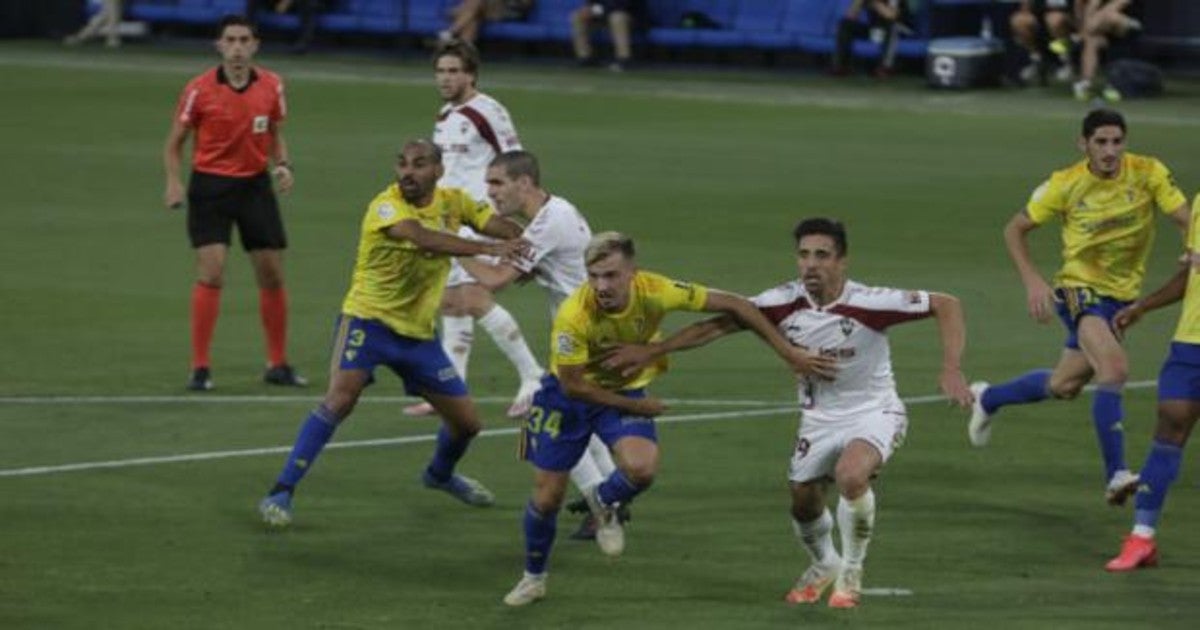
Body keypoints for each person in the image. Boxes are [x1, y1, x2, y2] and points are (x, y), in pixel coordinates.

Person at [595, 218, 971, 608]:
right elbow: (716, 327)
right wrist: (655, 350)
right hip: (819, 419)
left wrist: (950, 368)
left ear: (842, 261)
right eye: (804, 254)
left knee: (851, 474)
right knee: (803, 501)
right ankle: (825, 563)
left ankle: (851, 573)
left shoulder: (869, 303)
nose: (810, 264)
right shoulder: (780, 302)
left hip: (873, 410)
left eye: (822, 255)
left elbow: (947, 304)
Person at [501, 232, 835, 607]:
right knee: (547, 499)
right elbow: (574, 385)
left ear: (633, 274)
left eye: (610, 275)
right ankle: (534, 578)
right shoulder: (574, 315)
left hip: (622, 394)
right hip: (565, 399)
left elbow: (738, 306)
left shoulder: (657, 290)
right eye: (593, 276)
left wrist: (788, 351)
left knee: (641, 469)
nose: (601, 286)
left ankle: (602, 501)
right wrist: (638, 408)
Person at [257, 139, 528, 529]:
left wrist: (525, 239)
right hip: (367, 322)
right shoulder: (386, 206)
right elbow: (422, 237)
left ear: (438, 170)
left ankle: (439, 475)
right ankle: (281, 490)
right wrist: (493, 249)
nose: (407, 172)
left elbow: (494, 222)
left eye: (419, 165)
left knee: (468, 424)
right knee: (339, 400)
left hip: (417, 335)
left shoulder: (454, 202)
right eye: (402, 164)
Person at [967, 108, 1188, 505]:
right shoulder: (1064, 184)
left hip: (1121, 297)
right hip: (1077, 290)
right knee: (1115, 368)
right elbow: (1014, 228)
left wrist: (1195, 246)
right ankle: (1116, 474)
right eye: (1101, 142)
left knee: (1064, 385)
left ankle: (989, 398)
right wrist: (1034, 280)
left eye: (1117, 141)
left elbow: (1186, 218)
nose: (1110, 151)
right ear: (1083, 144)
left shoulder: (1148, 172)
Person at [459, 150, 623, 543]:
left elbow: (496, 281)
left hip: (584, 339)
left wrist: (456, 247)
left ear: (525, 183)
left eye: (497, 183)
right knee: (584, 427)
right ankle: (609, 502)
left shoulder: (549, 222)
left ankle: (605, 510)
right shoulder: (556, 212)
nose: (490, 192)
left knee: (550, 424)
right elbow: (528, 270)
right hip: (593, 333)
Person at [163, 14, 306, 392]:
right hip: (210, 187)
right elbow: (174, 142)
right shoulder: (199, 89)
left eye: (245, 40)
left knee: (272, 273)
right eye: (231, 40)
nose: (238, 47)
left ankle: (277, 363)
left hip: (255, 187)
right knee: (212, 271)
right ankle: (200, 367)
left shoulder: (272, 85)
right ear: (219, 45)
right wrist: (174, 182)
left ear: (255, 45)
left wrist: (284, 165)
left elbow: (274, 131)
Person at [404, 40, 544, 420]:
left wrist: (524, 215)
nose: (446, 78)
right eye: (441, 71)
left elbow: (516, 161)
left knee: (473, 299)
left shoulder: (488, 112)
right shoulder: (445, 115)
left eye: (454, 71)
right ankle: (452, 389)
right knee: (450, 301)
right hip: (452, 221)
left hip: (481, 220)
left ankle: (533, 376)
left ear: (471, 74)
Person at [1103, 193, 1200, 571]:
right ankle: (1141, 537)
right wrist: (1144, 305)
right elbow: (1191, 274)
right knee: (1170, 419)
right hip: (1191, 341)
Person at [1074, 0, 1143, 100]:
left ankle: (1114, 83)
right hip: (1103, 30)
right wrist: (1093, 4)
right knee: (1092, 42)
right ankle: (1086, 83)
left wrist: (1084, 31)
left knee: (1111, 17)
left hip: (1128, 26)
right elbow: (1083, 12)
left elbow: (1108, 11)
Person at [830, 0, 912, 78]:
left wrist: (874, 3)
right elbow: (850, 16)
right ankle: (841, 66)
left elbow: (891, 15)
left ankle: (885, 67)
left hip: (901, 30)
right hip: (877, 32)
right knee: (845, 24)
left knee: (892, 28)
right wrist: (858, 2)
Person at [1010, 0, 1076, 84]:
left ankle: (1067, 62)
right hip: (1040, 16)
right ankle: (1037, 60)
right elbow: (1025, 8)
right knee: (1019, 21)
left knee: (1054, 19)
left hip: (1067, 16)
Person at [570, 1, 642, 72]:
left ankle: (624, 59)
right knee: (577, 16)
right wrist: (588, 10)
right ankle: (585, 58)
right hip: (604, 15)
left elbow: (622, 6)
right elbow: (592, 3)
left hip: (630, 15)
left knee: (617, 17)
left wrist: (594, 10)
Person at [438, 0, 534, 45]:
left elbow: (525, 4)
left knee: (475, 5)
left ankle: (452, 29)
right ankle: (464, 55)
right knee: (473, 19)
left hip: (510, 11)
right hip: (486, 9)